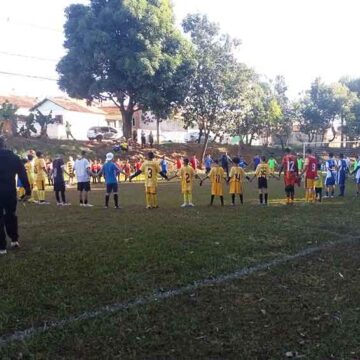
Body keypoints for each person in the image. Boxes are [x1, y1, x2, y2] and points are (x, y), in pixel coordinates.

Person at [0, 136, 31, 255]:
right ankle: (14, 240)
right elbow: (23, 174)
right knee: (11, 215)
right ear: (4, 144)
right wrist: (28, 190)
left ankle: (2, 247)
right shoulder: (14, 157)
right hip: (10, 191)